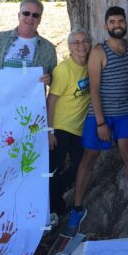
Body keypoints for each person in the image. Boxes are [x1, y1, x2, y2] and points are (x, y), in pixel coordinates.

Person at [66, 6, 128, 237]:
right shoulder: (99, 52)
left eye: (120, 21)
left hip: (124, 114)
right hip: (99, 115)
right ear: (105, 25)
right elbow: (94, 89)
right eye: (112, 22)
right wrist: (101, 123)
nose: (117, 25)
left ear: (125, 22)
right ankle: (77, 208)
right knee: (89, 158)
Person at [47, 30, 91, 218]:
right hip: (60, 127)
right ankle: (53, 205)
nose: (81, 46)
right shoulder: (64, 69)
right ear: (69, 47)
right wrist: (50, 131)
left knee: (79, 165)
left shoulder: (91, 65)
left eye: (84, 41)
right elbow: (51, 100)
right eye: (75, 43)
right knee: (54, 168)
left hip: (79, 128)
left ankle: (57, 195)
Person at [0, 0, 56, 84]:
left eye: (35, 15)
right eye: (26, 13)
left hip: (30, 97)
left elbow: (55, 81)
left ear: (39, 20)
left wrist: (49, 79)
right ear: (19, 15)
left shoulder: (49, 49)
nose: (30, 17)